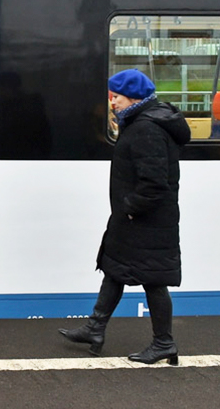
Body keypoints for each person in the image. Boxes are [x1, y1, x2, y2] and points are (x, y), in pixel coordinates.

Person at [59, 68, 191, 365]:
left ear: (133, 97)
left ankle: (164, 343)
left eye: (116, 96)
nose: (112, 102)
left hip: (146, 219)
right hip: (133, 217)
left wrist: (131, 207)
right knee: (114, 267)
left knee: (154, 280)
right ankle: (95, 328)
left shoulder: (147, 128)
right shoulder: (139, 121)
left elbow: (154, 183)